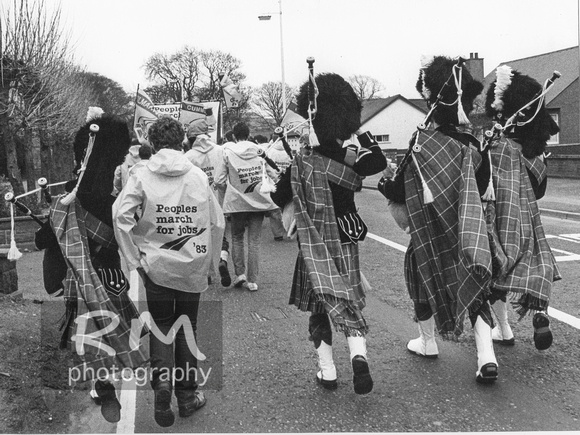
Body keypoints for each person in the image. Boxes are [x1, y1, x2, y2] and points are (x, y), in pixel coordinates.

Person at [378, 56, 501, 383]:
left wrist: (383, 185)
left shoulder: (422, 142)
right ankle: (486, 355)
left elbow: (401, 190)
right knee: (474, 288)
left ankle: (428, 341)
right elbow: (484, 184)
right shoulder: (474, 145)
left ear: (433, 99)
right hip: (467, 235)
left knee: (417, 275)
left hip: (430, 235)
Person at [271, 72, 386, 394]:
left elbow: (276, 199)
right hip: (345, 237)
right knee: (349, 300)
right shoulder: (352, 159)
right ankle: (359, 357)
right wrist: (358, 130)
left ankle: (328, 371)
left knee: (320, 308)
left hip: (313, 242)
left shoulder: (301, 162)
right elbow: (376, 161)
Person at [36, 107, 148, 423]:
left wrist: (53, 221)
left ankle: (103, 387)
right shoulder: (114, 201)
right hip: (110, 277)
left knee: (92, 336)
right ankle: (128, 382)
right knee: (113, 332)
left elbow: (43, 242)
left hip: (75, 279)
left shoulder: (65, 201)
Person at [113, 116, 225, 427]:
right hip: (192, 266)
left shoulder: (140, 175)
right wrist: (213, 263)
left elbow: (120, 215)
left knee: (163, 326)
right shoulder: (198, 177)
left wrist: (134, 260)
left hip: (156, 267)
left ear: (152, 141)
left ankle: (162, 385)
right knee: (187, 328)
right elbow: (217, 222)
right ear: (182, 142)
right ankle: (187, 397)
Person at [483, 65, 561, 350]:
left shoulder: (494, 146)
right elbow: (540, 191)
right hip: (529, 218)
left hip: (499, 218)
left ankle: (503, 328)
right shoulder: (536, 152)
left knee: (497, 269)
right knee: (536, 264)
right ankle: (540, 313)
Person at [214, 122, 277, 292]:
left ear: (233, 136)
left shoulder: (227, 153)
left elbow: (219, 180)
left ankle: (239, 274)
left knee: (237, 238)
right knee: (254, 241)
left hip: (237, 203)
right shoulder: (259, 151)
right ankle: (252, 280)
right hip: (258, 201)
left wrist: (229, 189)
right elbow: (273, 173)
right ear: (249, 134)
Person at [184, 118, 232, 287]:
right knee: (221, 234)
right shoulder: (220, 151)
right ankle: (222, 259)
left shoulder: (188, 156)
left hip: (198, 202)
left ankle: (207, 272)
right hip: (220, 198)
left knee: (201, 237)